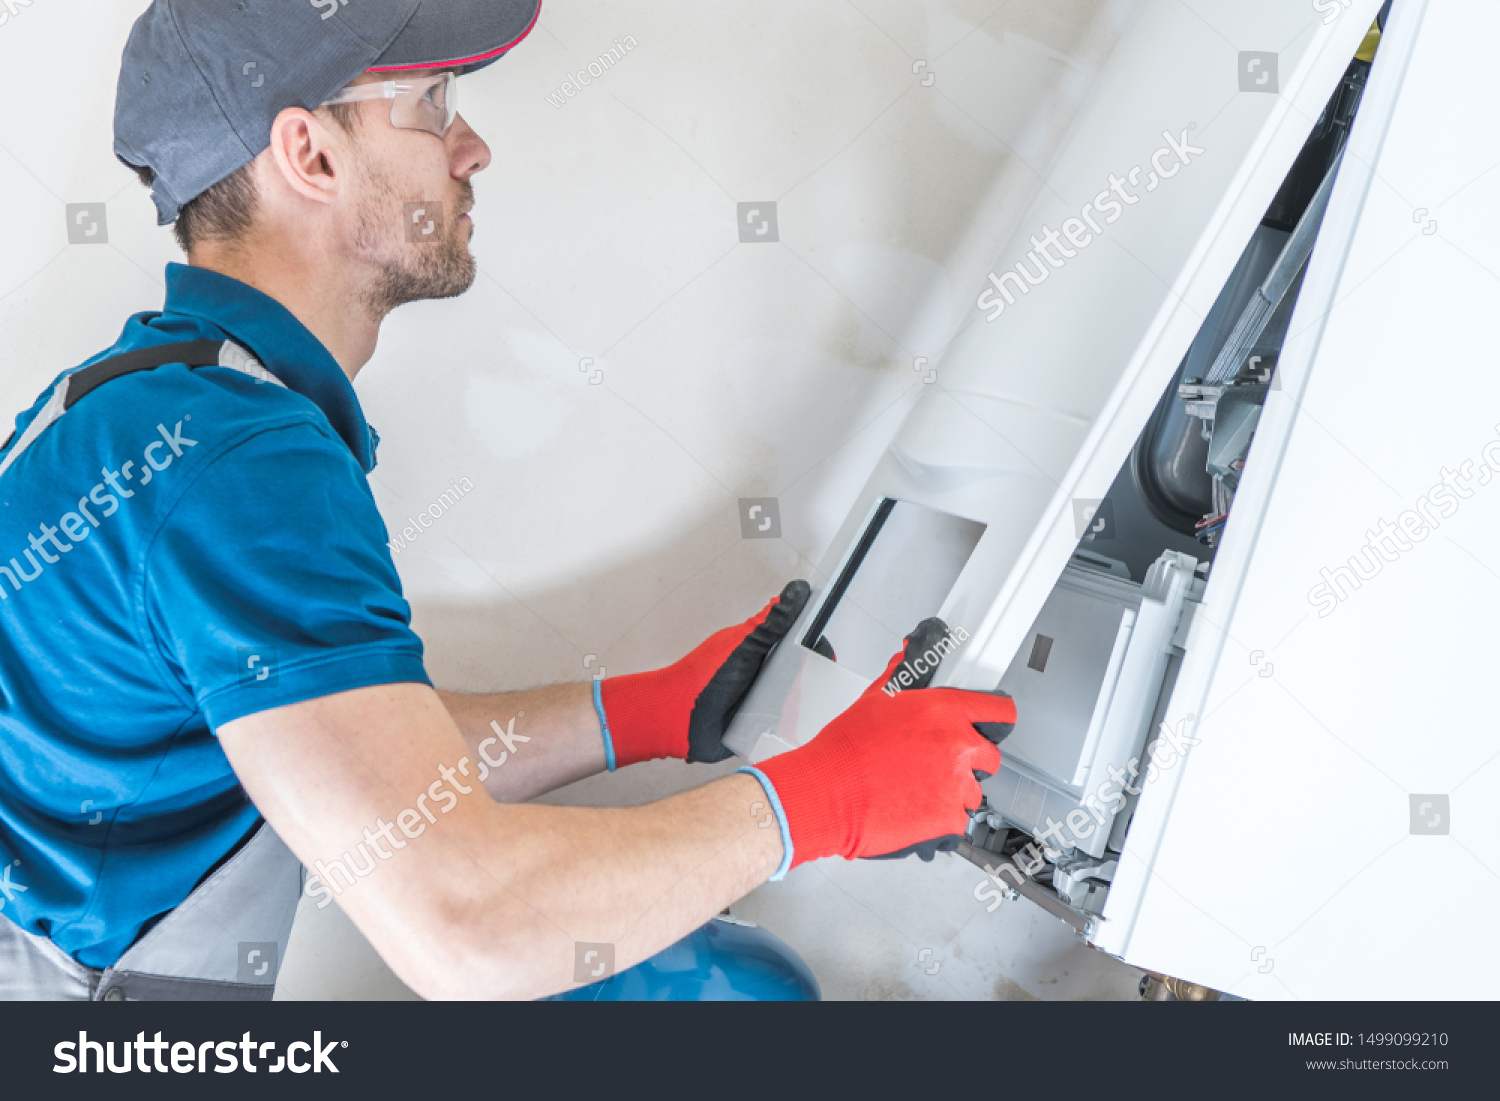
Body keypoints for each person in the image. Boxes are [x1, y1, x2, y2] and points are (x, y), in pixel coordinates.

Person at [0, 0, 1014, 1001]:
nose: (472, 148)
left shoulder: (128, 402)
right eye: (433, 106)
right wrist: (817, 803)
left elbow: (341, 758)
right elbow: (470, 928)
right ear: (310, 156)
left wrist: (638, 713)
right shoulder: (240, 462)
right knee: (742, 995)